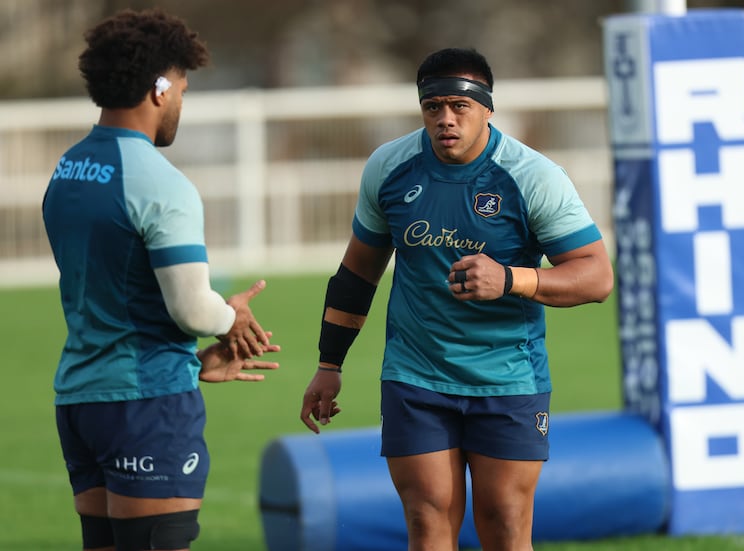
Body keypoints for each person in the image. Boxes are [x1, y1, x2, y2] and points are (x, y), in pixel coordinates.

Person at [300, 47, 614, 550]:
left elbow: (596, 276)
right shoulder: (390, 167)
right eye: (433, 107)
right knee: (427, 520)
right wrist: (328, 365)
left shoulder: (533, 176)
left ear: (487, 108)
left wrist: (510, 279)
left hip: (507, 377)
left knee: (505, 524)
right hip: (415, 375)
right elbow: (357, 274)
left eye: (459, 106)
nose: (445, 119)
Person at [42, 9, 279, 551]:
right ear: (159, 89)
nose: (180, 106)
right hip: (145, 404)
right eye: (182, 91)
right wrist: (232, 318)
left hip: (80, 399)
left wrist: (189, 364)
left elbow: (114, 291)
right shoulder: (159, 183)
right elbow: (192, 309)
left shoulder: (68, 169)